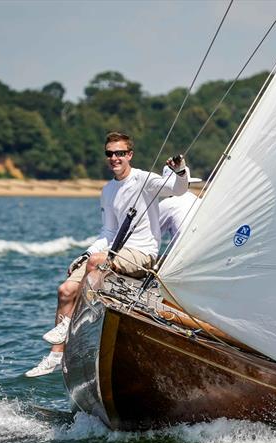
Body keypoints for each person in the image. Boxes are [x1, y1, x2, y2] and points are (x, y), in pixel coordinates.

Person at [25, 131, 189, 377]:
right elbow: (108, 231)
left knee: (96, 262)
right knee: (65, 290)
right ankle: (56, 355)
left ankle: (70, 324)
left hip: (142, 253)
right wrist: (85, 253)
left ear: (129, 155)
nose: (115, 158)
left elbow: (178, 189)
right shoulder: (108, 190)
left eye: (120, 153)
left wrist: (180, 170)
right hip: (113, 251)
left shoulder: (144, 180)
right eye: (110, 154)